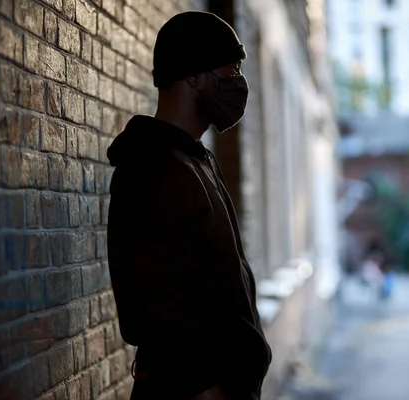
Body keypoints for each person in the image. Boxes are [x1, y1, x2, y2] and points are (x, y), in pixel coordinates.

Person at [106, 11, 272, 400]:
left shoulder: (195, 160)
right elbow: (156, 305)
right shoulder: (150, 166)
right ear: (194, 76)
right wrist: (209, 391)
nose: (238, 84)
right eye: (230, 70)